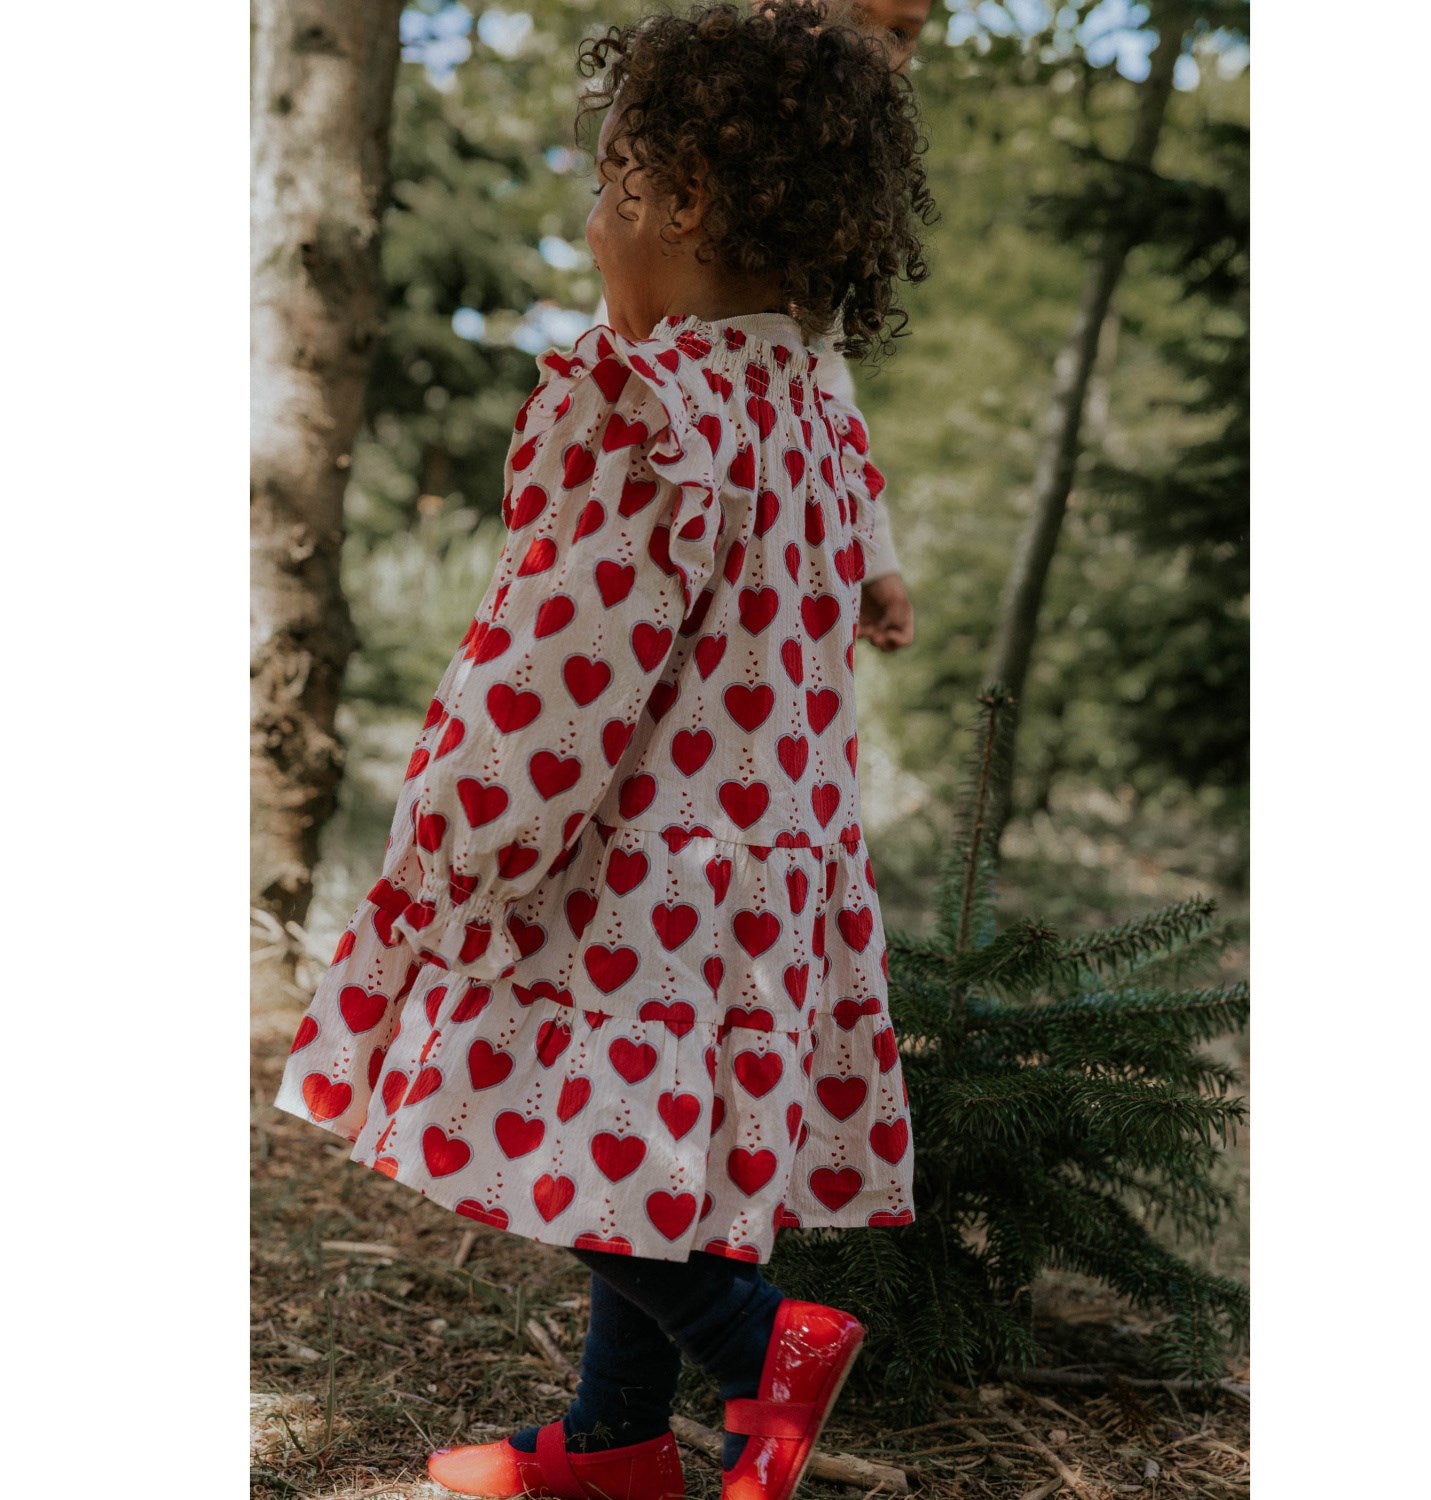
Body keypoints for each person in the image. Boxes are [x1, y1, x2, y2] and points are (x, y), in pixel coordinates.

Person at [274, 3, 935, 1497]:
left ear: (681, 201)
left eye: (606, 189)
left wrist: (464, 841)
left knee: (553, 1120)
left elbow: (562, 672)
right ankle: (616, 1440)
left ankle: (761, 1344)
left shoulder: (651, 410)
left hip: (622, 871)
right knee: (657, 1146)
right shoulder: (810, 420)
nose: (590, 228)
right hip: (756, 872)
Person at [589, 0, 933, 660]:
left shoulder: (806, 408)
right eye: (864, 17)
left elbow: (827, 385)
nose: (879, 49)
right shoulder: (637, 381)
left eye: (900, 33)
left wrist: (872, 555)